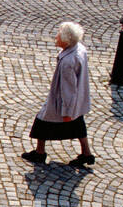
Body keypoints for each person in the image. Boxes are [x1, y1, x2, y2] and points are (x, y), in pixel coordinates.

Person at [22, 21, 94, 167]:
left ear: (66, 41)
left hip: (63, 101)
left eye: (59, 35)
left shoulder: (68, 61)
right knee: (78, 123)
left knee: (41, 121)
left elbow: (68, 89)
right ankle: (87, 153)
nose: (56, 37)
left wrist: (67, 111)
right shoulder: (79, 48)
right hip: (78, 99)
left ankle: (40, 152)